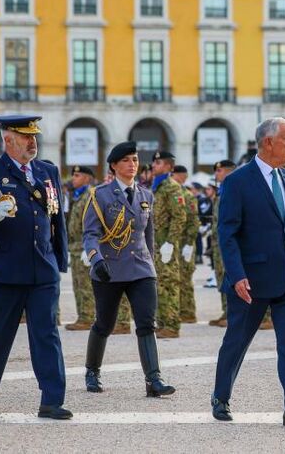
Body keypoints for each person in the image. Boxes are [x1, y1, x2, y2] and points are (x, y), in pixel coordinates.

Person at [212, 117, 285, 427]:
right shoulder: (237, 181)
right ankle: (220, 397)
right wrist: (236, 275)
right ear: (268, 142)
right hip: (250, 280)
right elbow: (227, 233)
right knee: (237, 342)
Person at [0, 115, 71, 419]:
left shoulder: (47, 171)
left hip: (42, 269)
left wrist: (59, 259)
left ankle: (52, 400)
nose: (32, 142)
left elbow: (56, 219)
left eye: (34, 136)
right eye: (25, 137)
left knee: (46, 334)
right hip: (3, 270)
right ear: (8, 139)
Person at [82, 142, 175, 398]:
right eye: (126, 160)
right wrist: (95, 258)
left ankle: (154, 379)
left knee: (147, 323)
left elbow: (149, 235)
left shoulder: (146, 195)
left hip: (141, 269)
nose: (132, 164)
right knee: (105, 323)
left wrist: (151, 263)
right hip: (109, 269)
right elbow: (90, 233)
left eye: (134, 159)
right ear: (114, 165)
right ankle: (92, 371)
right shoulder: (99, 195)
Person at [150, 151, 186, 338]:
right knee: (160, 284)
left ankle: (172, 325)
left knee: (169, 283)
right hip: (156, 243)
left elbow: (179, 217)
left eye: (158, 162)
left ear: (168, 167)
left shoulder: (171, 187)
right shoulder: (158, 186)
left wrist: (170, 243)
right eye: (154, 162)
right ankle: (162, 322)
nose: (154, 165)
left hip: (166, 244)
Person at [65, 166, 97, 330]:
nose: (73, 179)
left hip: (85, 246)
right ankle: (83, 316)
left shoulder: (90, 196)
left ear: (87, 178)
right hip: (75, 246)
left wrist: (89, 247)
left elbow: (92, 222)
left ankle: (87, 317)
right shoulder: (78, 196)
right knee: (78, 283)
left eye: (77, 176)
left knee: (85, 284)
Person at [171, 165, 199, 325]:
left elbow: (193, 222)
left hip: (185, 244)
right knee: (174, 279)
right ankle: (178, 310)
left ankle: (188, 312)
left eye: (174, 175)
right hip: (174, 243)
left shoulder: (187, 196)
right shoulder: (172, 193)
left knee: (185, 279)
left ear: (182, 176)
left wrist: (189, 244)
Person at [209, 160, 236, 327]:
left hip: (229, 242)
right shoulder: (222, 191)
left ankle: (232, 313)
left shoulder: (234, 191)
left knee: (231, 277)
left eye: (219, 171)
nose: (216, 174)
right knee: (221, 276)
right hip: (219, 242)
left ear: (229, 172)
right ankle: (226, 311)